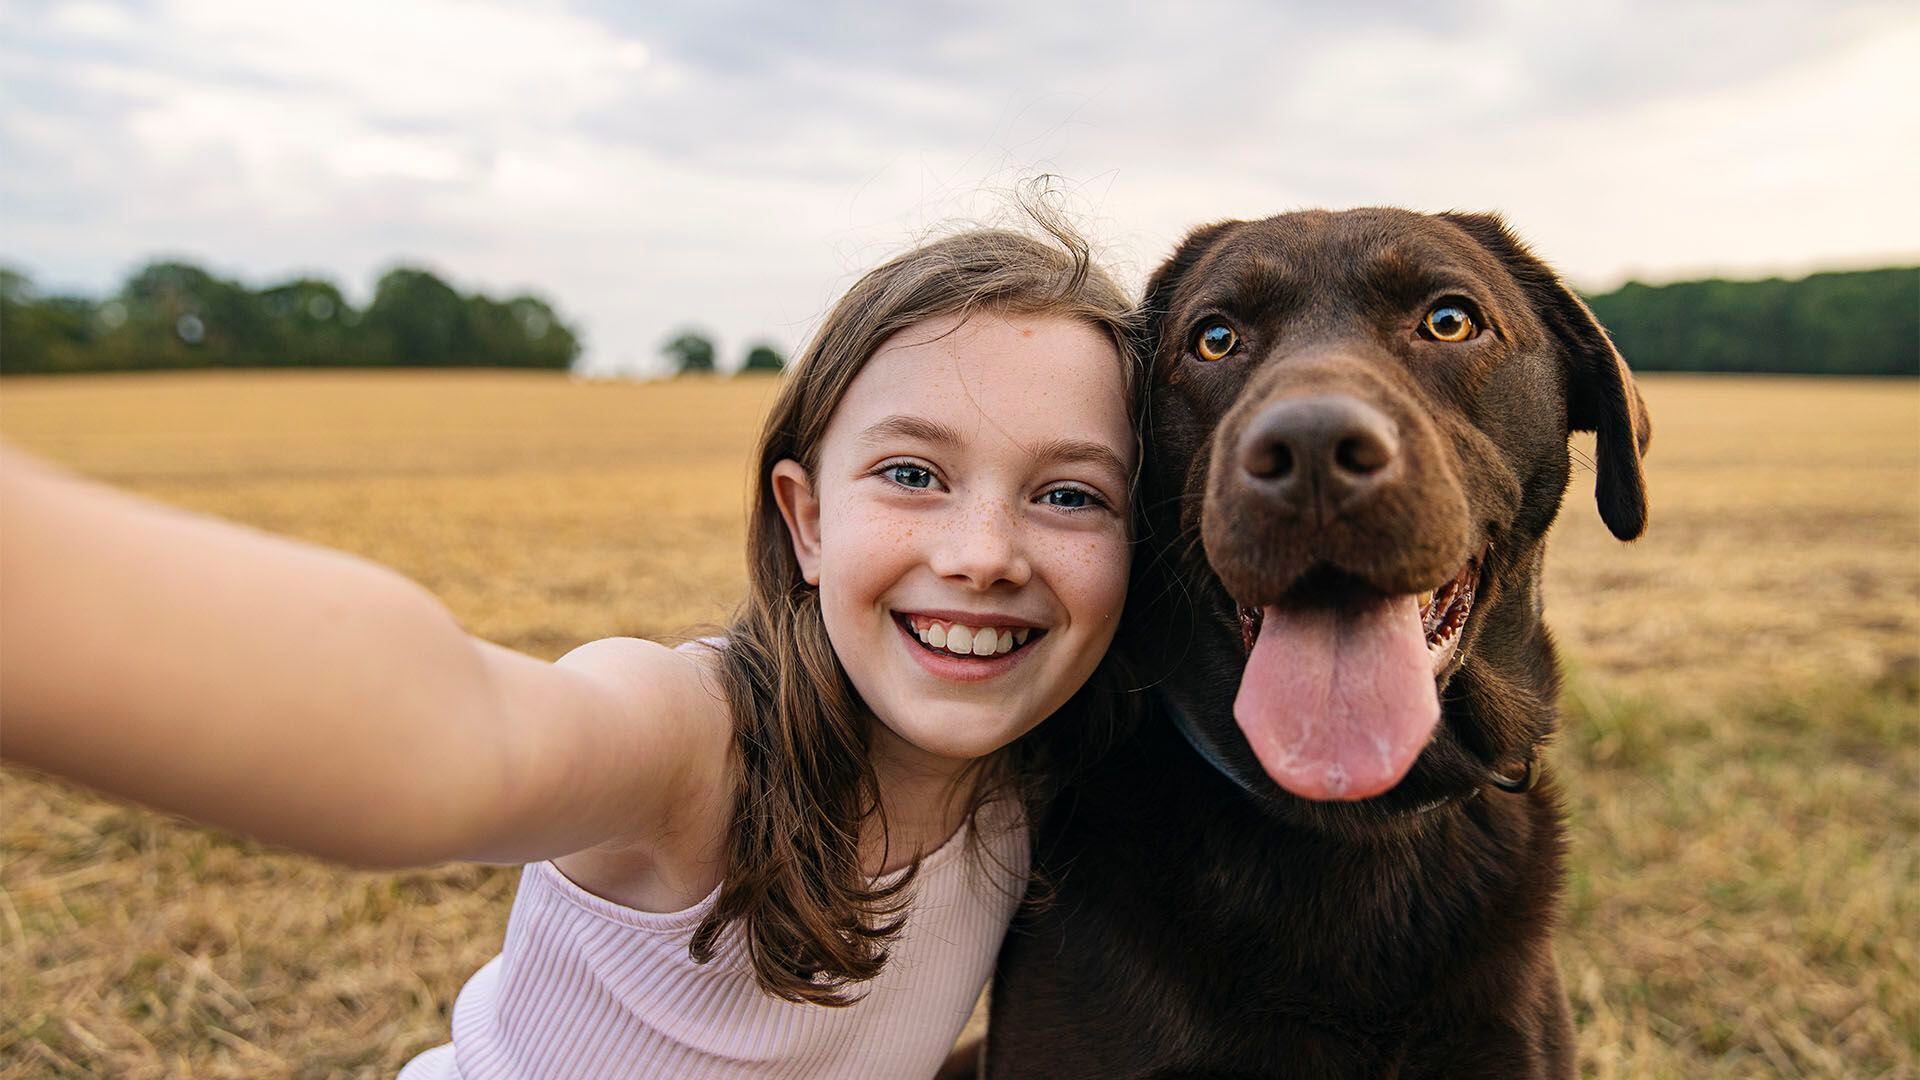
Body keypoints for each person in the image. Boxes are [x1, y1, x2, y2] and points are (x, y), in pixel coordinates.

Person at [0, 221, 1141, 1078]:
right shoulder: (692, 743)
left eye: (1071, 495)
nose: (986, 553)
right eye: (911, 474)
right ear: (804, 518)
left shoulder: (1041, 781)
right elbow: (453, 734)